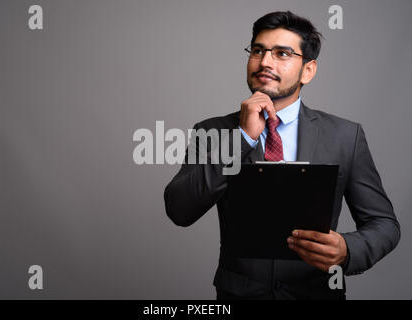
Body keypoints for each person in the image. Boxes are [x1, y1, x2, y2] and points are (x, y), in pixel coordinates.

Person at [163, 11, 400, 300]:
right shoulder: (211, 131)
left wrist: (348, 250)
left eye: (282, 53)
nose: (264, 62)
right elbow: (180, 209)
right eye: (258, 50)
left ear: (308, 70)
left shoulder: (345, 136)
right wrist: (243, 138)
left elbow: (384, 224)